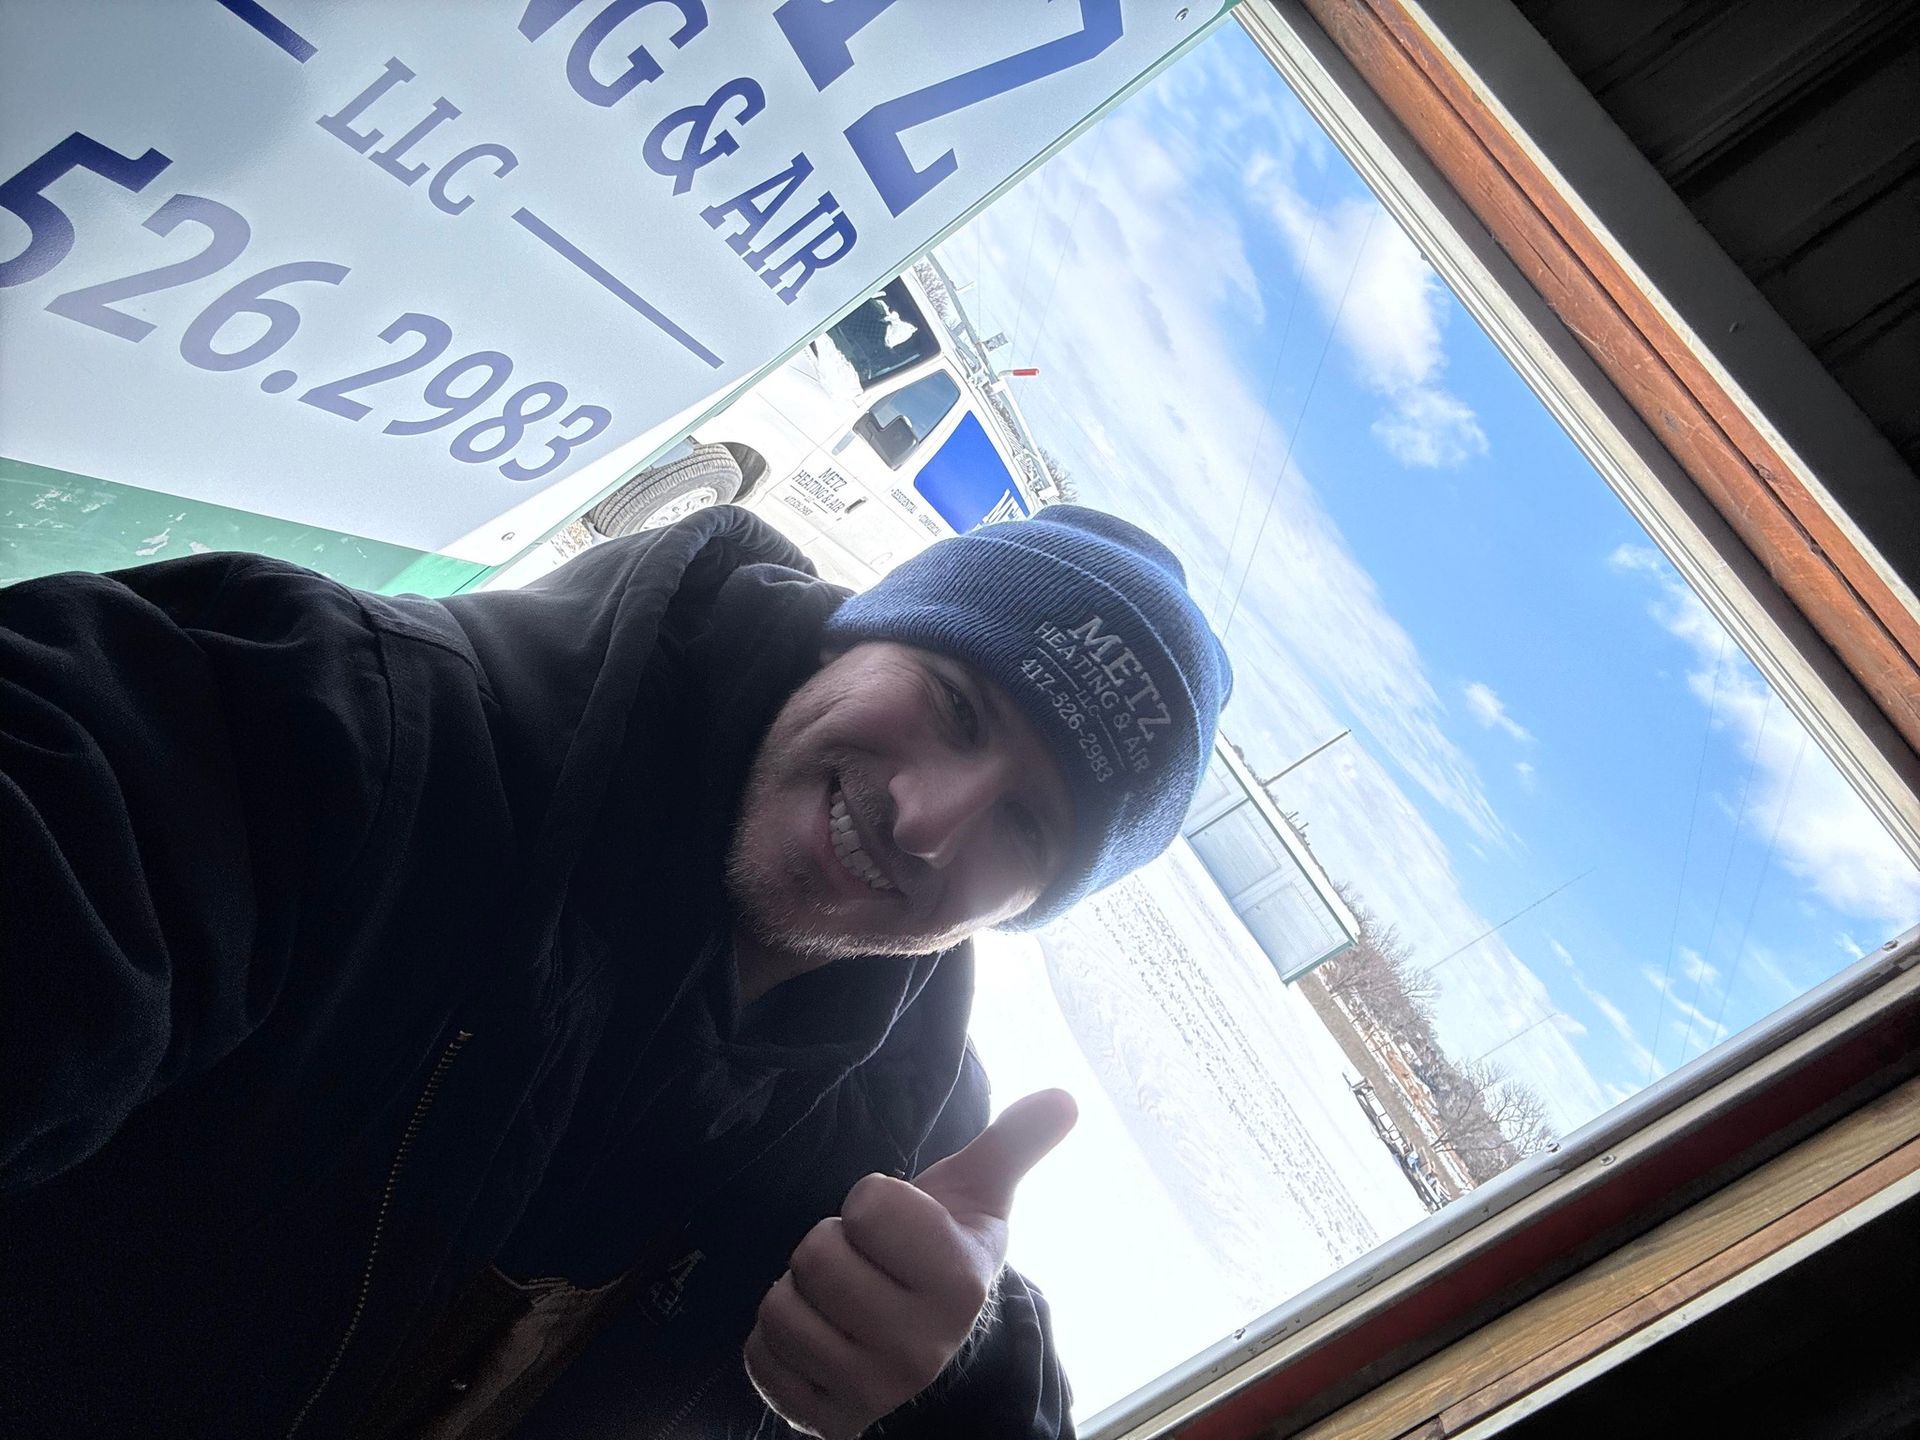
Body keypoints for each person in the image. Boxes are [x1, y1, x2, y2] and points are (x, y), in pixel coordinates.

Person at [0, 502, 1230, 1439]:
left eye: (1029, 829)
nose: (930, 820)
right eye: (956, 704)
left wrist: (952, 1385)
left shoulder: (896, 1142)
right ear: (858, 636)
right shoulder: (350, 726)